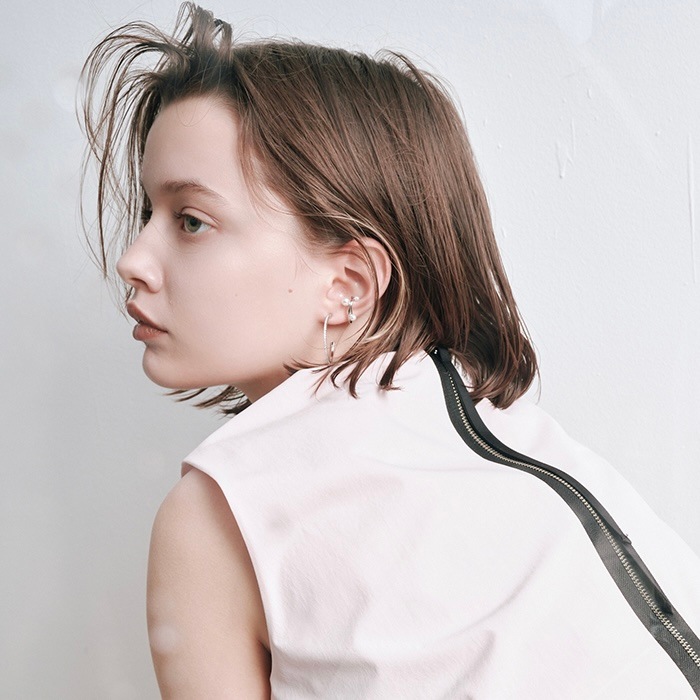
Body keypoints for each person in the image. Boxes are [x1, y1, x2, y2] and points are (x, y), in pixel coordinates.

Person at [80, 3, 700, 698]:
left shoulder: (220, 514)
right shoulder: (520, 441)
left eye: (192, 221)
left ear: (347, 284)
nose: (133, 260)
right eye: (149, 213)